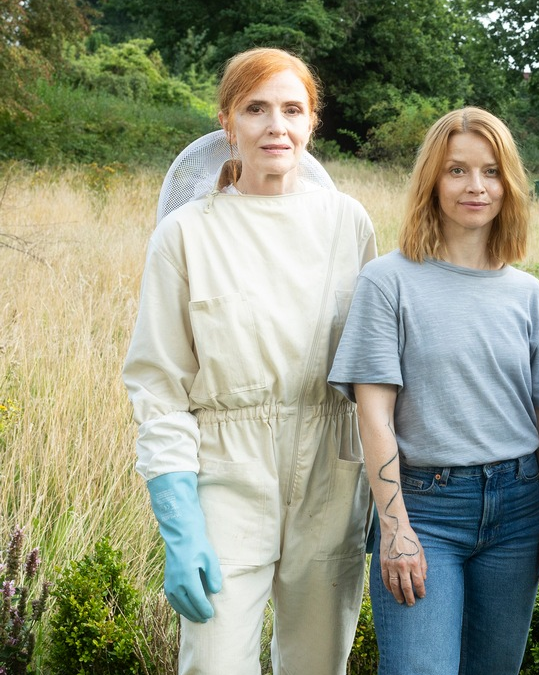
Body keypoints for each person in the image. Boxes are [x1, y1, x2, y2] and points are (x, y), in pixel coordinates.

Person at [123, 48, 376, 672]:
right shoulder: (184, 233)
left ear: (312, 122)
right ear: (227, 121)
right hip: (224, 479)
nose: (275, 127)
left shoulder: (349, 224)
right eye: (256, 109)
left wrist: (389, 495)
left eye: (292, 109)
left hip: (331, 472)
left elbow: (377, 370)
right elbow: (158, 385)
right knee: (214, 662)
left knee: (318, 663)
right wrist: (180, 524)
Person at [327, 106, 539, 675]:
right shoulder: (387, 281)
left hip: (518, 512)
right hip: (425, 511)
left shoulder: (526, 294)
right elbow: (374, 417)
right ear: (431, 182)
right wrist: (395, 528)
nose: (476, 186)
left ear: (509, 183)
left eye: (491, 171)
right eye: (457, 171)